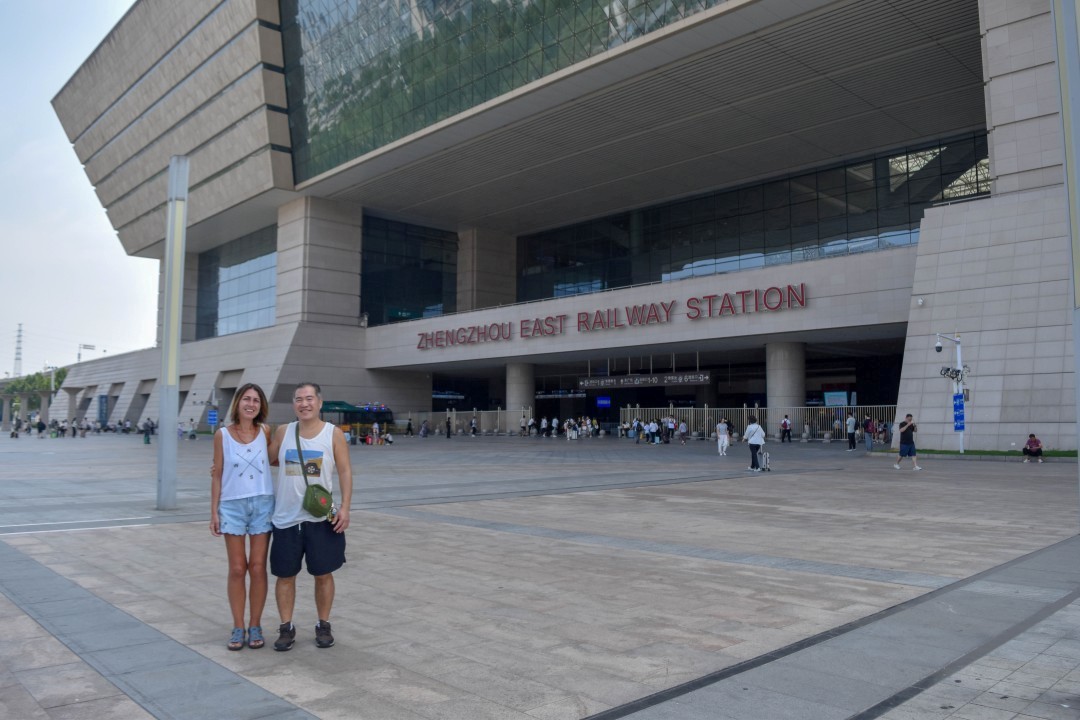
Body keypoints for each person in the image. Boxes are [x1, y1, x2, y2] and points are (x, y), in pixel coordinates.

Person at [267, 382, 352, 651]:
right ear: (293, 404)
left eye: (309, 398)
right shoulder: (284, 431)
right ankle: (286, 627)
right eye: (298, 399)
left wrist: (345, 507)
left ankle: (323, 624)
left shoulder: (333, 434)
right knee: (285, 576)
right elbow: (265, 459)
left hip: (321, 518)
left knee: (323, 574)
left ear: (319, 402)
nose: (304, 404)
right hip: (286, 518)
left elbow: (345, 471)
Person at [210, 383, 274, 651]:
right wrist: (214, 511)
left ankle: (255, 625)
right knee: (237, 568)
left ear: (261, 406)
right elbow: (217, 474)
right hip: (232, 505)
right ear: (237, 403)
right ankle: (238, 626)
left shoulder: (266, 432)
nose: (251, 404)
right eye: (246, 399)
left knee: (258, 567)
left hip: (262, 502)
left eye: (256, 400)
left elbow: (276, 459)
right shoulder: (222, 435)